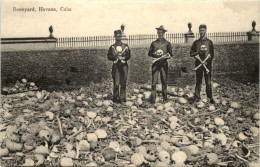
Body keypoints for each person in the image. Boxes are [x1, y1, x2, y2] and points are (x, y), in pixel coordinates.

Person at [190, 24, 215, 104]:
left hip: (207, 64)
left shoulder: (209, 42)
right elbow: (191, 53)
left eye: (203, 30)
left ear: (206, 31)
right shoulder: (196, 43)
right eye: (200, 30)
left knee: (208, 81)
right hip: (198, 64)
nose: (201, 32)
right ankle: (197, 97)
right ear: (199, 31)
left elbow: (212, 54)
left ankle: (210, 97)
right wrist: (198, 52)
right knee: (198, 81)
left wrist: (207, 61)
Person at [148, 25, 173, 104]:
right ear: (157, 33)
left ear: (164, 33)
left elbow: (170, 54)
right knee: (154, 82)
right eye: (159, 32)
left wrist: (167, 57)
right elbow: (149, 53)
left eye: (161, 32)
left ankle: (165, 99)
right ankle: (152, 99)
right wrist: (155, 55)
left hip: (163, 64)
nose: (160, 34)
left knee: (164, 81)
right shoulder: (154, 43)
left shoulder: (167, 43)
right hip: (155, 64)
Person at [107, 30, 131, 103]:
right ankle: (116, 99)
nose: (118, 37)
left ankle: (122, 99)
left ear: (121, 36)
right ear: (114, 36)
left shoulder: (125, 46)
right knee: (116, 84)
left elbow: (128, 55)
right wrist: (115, 58)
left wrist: (124, 58)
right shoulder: (112, 47)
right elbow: (109, 56)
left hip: (124, 67)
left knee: (123, 83)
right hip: (116, 67)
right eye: (116, 36)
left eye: (119, 36)